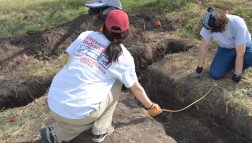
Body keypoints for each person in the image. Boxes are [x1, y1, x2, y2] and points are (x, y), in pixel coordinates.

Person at [40, 10, 162, 143]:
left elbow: (70, 62)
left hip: (54, 103)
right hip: (78, 114)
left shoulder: (86, 36)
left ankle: (58, 132)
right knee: (117, 81)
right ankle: (101, 129)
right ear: (126, 32)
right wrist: (151, 106)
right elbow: (136, 88)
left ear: (104, 26)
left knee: (81, 97)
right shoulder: (123, 57)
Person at [189, 7, 252, 82]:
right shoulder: (209, 23)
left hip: (243, 45)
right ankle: (231, 61)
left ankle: (239, 65)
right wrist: (199, 69)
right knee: (215, 74)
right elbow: (204, 46)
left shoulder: (237, 23)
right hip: (226, 48)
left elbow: (240, 53)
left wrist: (237, 74)